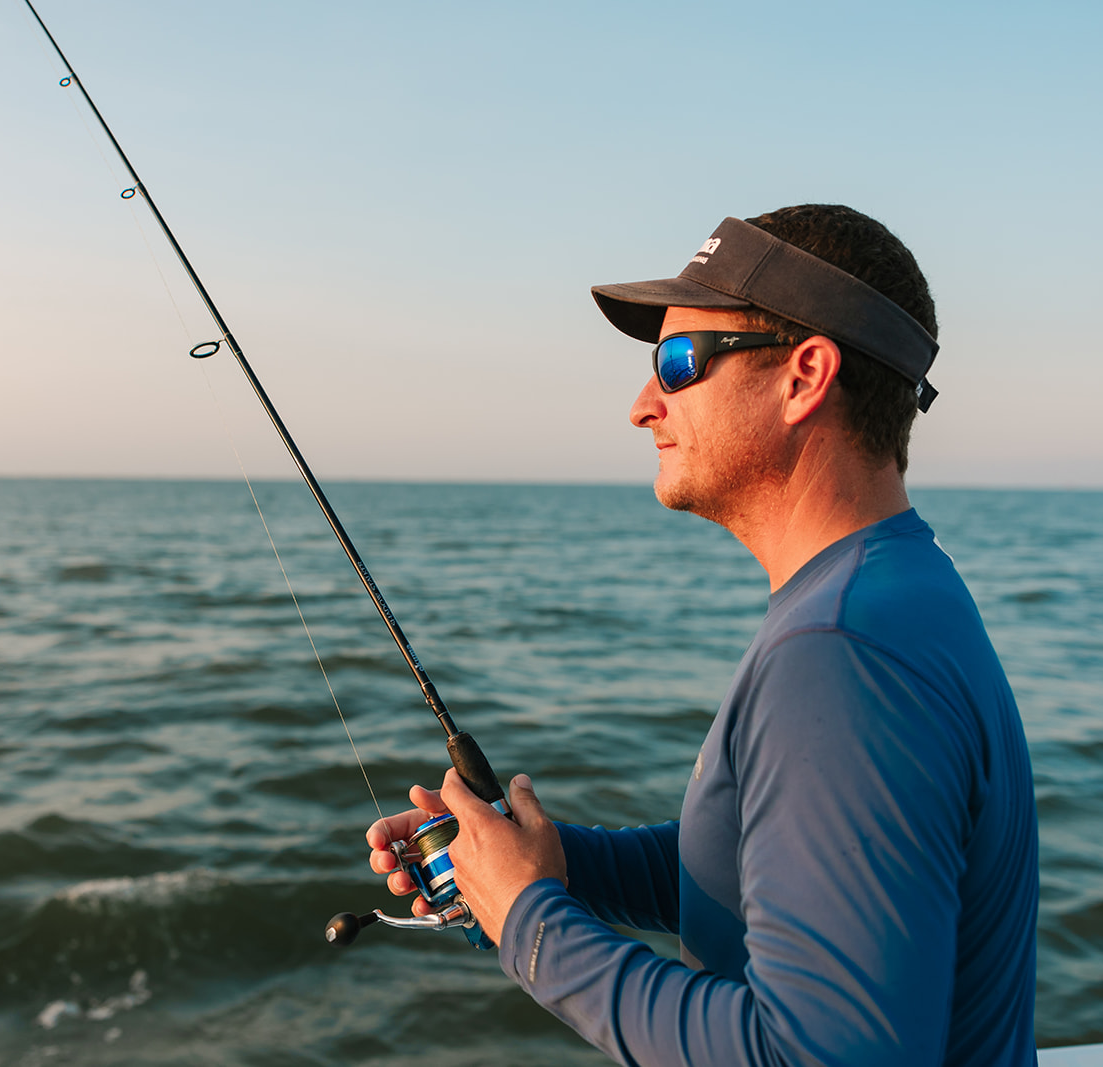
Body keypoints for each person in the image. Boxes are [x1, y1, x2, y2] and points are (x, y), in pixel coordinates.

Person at [366, 204, 1038, 1066]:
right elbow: (756, 878)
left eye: (678, 363)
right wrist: (540, 862)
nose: (644, 405)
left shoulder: (840, 653)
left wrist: (531, 924)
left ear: (805, 377)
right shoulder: (896, 590)